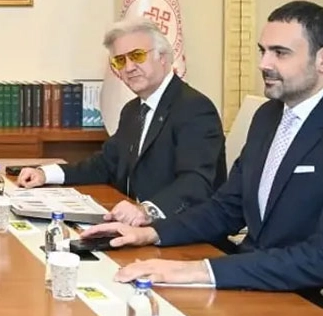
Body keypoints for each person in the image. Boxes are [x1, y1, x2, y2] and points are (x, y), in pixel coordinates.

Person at [82, 0, 323, 292]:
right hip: (247, 279)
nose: (264, 64)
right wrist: (149, 233)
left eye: (280, 53)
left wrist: (197, 270)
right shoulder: (267, 116)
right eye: (263, 51)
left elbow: (317, 260)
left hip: (301, 297)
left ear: (321, 60)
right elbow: (226, 209)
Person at [17, 18, 226, 225]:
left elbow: (196, 183)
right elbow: (105, 165)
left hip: (183, 230)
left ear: (162, 57)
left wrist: (146, 211)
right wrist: (45, 174)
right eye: (120, 61)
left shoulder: (194, 108)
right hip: (135, 226)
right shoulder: (132, 110)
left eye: (137, 56)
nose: (129, 67)